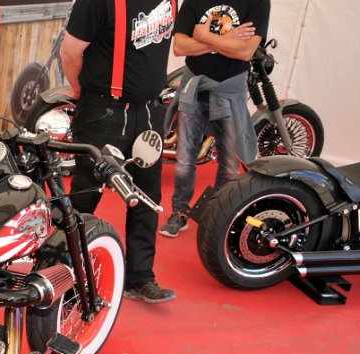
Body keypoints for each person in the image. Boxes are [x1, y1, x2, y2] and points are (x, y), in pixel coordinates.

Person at [60, 0, 177, 304]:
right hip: (104, 113)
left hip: (149, 112)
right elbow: (70, 53)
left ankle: (140, 277)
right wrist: (80, 92)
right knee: (86, 195)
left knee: (147, 198)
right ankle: (63, 274)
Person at [159, 0, 269, 238]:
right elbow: (179, 46)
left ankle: (219, 217)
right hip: (194, 86)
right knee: (184, 159)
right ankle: (179, 213)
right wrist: (228, 40)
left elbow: (246, 52)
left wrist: (205, 36)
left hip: (230, 89)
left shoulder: (258, 2)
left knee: (230, 164)